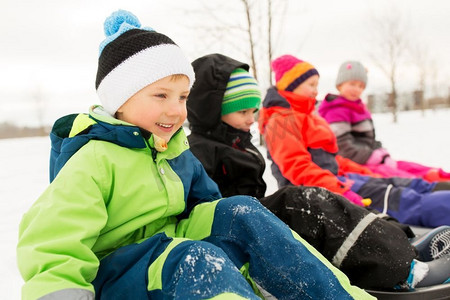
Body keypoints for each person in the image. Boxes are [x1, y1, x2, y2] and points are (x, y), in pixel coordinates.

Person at [16, 11, 375, 300]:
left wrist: (242, 240)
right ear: (119, 100)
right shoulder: (94, 160)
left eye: (183, 97)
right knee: (195, 259)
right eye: (161, 96)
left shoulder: (173, 150)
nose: (176, 110)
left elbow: (207, 207)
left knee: (242, 211)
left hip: (174, 248)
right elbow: (51, 246)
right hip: (119, 274)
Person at [186, 53, 450, 290]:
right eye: (242, 111)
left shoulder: (237, 144)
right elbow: (204, 205)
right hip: (235, 227)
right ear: (213, 111)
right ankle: (404, 270)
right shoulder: (200, 151)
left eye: (253, 111)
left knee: (330, 203)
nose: (251, 119)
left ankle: (403, 251)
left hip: (251, 218)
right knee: (304, 203)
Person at [258, 54, 450, 229]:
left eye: (317, 85)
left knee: (393, 183)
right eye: (311, 85)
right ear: (290, 85)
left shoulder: (304, 116)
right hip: (316, 193)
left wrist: (364, 172)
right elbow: (298, 168)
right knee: (398, 199)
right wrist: (341, 188)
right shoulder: (281, 121)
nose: (316, 91)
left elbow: (331, 160)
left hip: (335, 180)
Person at [318, 60, 450, 182]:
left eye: (361, 86)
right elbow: (343, 148)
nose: (356, 89)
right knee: (400, 176)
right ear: (340, 85)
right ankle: (431, 187)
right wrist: (374, 157)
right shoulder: (336, 110)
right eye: (352, 84)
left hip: (367, 158)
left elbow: (369, 139)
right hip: (355, 164)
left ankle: (438, 176)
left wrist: (380, 152)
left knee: (407, 166)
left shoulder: (359, 108)